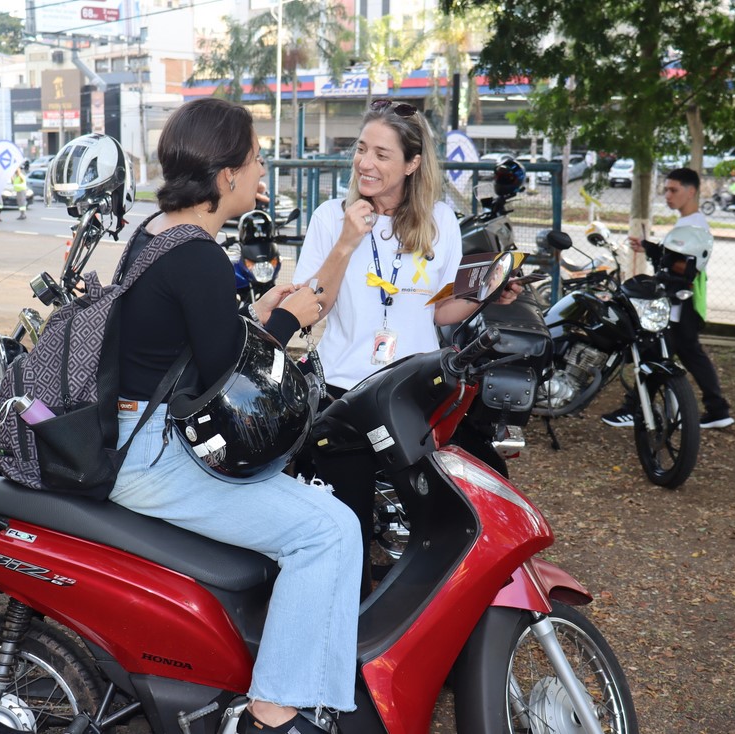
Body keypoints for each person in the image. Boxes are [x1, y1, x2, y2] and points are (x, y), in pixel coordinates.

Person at [102, 98, 362, 734]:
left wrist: (256, 312)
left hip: (135, 434)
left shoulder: (155, 232)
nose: (263, 173)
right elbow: (230, 372)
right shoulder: (198, 257)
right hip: (154, 454)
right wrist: (285, 319)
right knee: (327, 531)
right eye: (255, 161)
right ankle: (272, 713)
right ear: (225, 178)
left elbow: (189, 343)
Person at [294, 99, 521, 595]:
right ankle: (349, 637)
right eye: (360, 150)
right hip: (345, 393)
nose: (365, 164)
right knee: (344, 531)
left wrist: (483, 295)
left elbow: (438, 313)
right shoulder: (332, 217)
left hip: (416, 392)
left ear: (412, 164)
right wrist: (347, 243)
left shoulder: (439, 220)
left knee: (445, 519)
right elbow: (311, 306)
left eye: (381, 154)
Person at [602, 167, 733, 429]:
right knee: (683, 353)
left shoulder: (694, 226)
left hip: (680, 303)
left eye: (673, 190)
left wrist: (655, 253)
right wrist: (649, 247)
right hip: (683, 304)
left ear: (691, 191)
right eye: (666, 190)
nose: (668, 196)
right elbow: (672, 259)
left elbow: (680, 266)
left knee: (654, 352)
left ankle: (633, 408)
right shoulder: (689, 224)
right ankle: (718, 409)